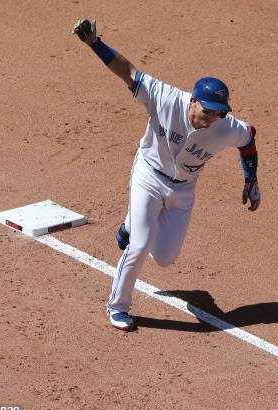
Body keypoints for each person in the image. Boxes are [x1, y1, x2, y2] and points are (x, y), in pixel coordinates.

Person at [72, 19, 261, 331]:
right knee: (140, 243)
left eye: (218, 113)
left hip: (183, 192)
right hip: (149, 174)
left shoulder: (225, 128)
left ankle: (133, 222)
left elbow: (250, 138)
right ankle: (118, 306)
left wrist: (251, 180)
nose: (212, 118)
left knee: (164, 257)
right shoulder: (165, 98)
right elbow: (128, 71)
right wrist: (96, 44)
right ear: (193, 100)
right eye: (207, 110)